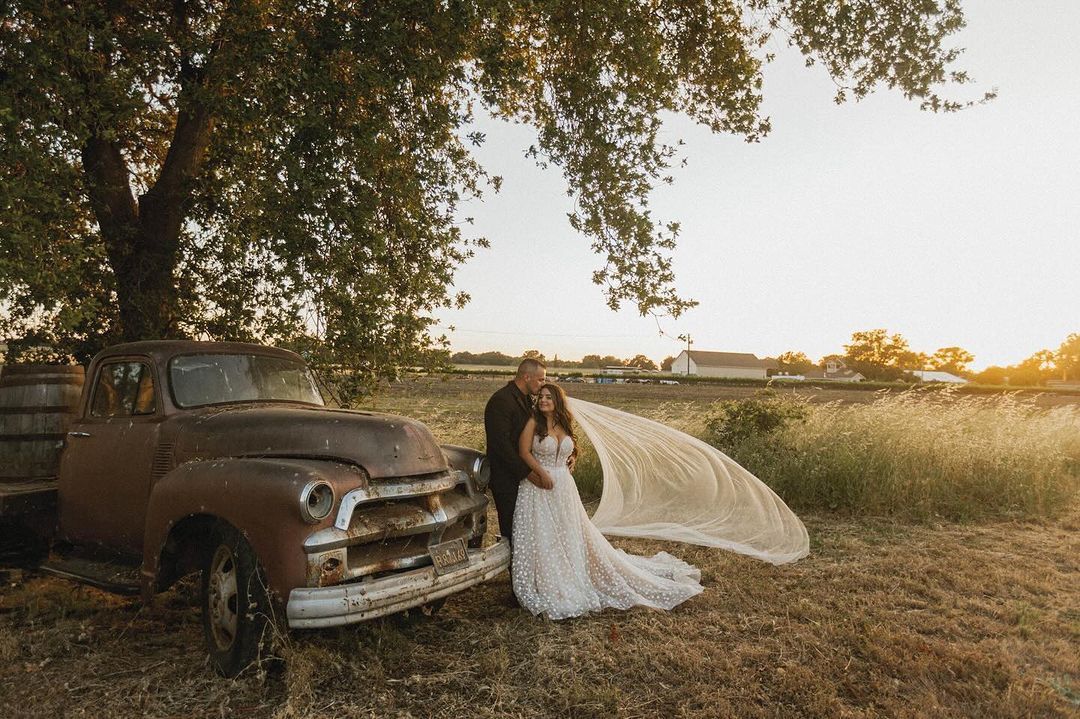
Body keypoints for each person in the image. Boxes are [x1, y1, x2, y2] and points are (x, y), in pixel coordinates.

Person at [511, 383, 703, 619]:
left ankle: (575, 569)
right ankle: (555, 579)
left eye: (548, 397)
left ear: (558, 401)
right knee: (546, 535)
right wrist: (541, 473)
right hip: (539, 488)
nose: (543, 401)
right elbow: (524, 453)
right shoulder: (533, 422)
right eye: (540, 397)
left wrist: (571, 458)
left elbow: (568, 448)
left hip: (564, 489)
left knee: (569, 532)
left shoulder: (564, 423)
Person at [483, 358, 546, 543]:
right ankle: (514, 569)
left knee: (525, 527)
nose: (543, 384)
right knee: (512, 529)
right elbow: (500, 445)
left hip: (521, 475)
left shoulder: (527, 399)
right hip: (506, 478)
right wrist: (527, 473)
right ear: (527, 377)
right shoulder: (501, 401)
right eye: (541, 379)